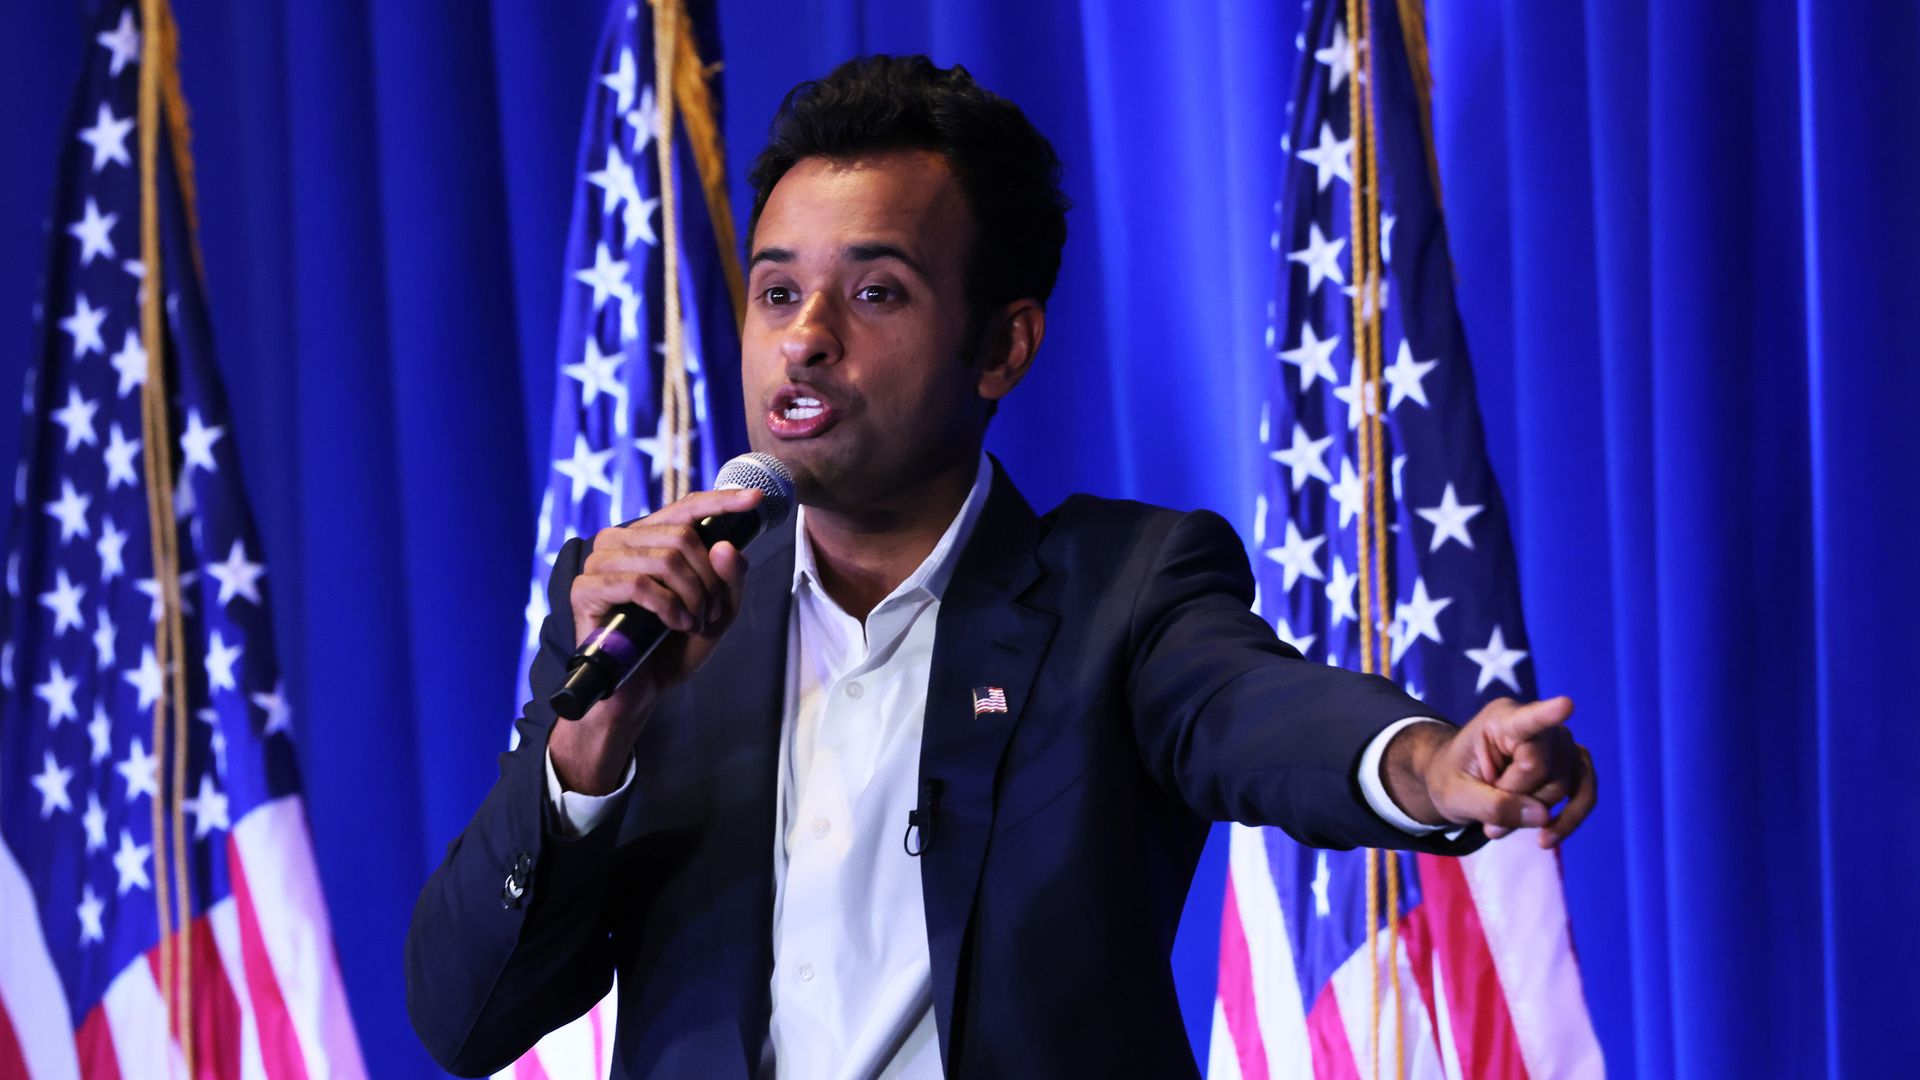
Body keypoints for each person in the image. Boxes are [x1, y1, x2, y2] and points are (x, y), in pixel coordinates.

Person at [405, 55, 1596, 1079]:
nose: (806, 335)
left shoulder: (1119, 590)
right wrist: (586, 751)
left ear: (1003, 345)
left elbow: (1259, 717)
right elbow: (466, 1019)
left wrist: (1433, 767)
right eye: (777, 291)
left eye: (875, 291)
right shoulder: (652, 612)